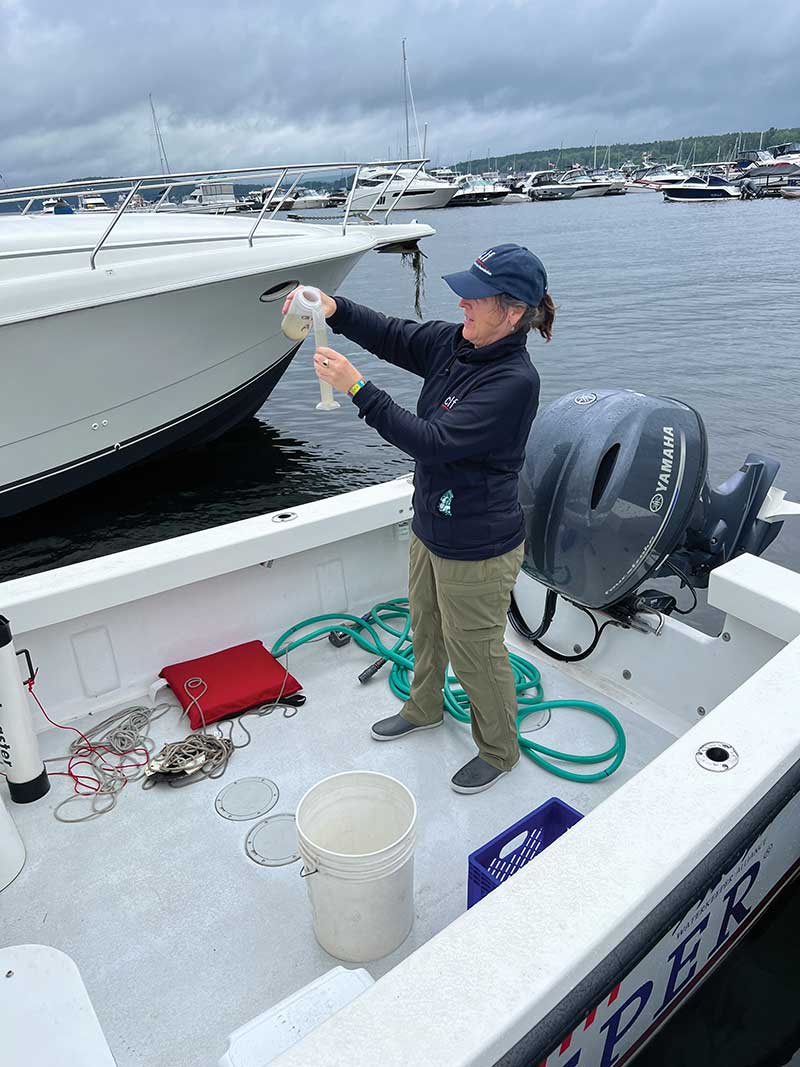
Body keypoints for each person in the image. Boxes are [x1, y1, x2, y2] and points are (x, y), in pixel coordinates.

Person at [286, 244, 555, 794]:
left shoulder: (513, 382)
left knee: (475, 651)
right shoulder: (455, 345)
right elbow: (392, 334)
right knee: (425, 627)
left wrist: (356, 388)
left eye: (475, 299)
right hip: (430, 526)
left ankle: (500, 751)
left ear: (511, 313)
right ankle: (424, 706)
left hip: (478, 545)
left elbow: (432, 442)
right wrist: (334, 307)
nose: (462, 305)